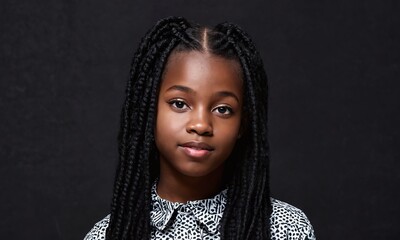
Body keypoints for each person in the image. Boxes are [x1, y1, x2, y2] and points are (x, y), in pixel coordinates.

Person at [84, 16, 315, 240]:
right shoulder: (108, 235)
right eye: (180, 104)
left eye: (223, 109)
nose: (201, 125)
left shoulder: (285, 229)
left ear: (243, 125)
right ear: (149, 111)